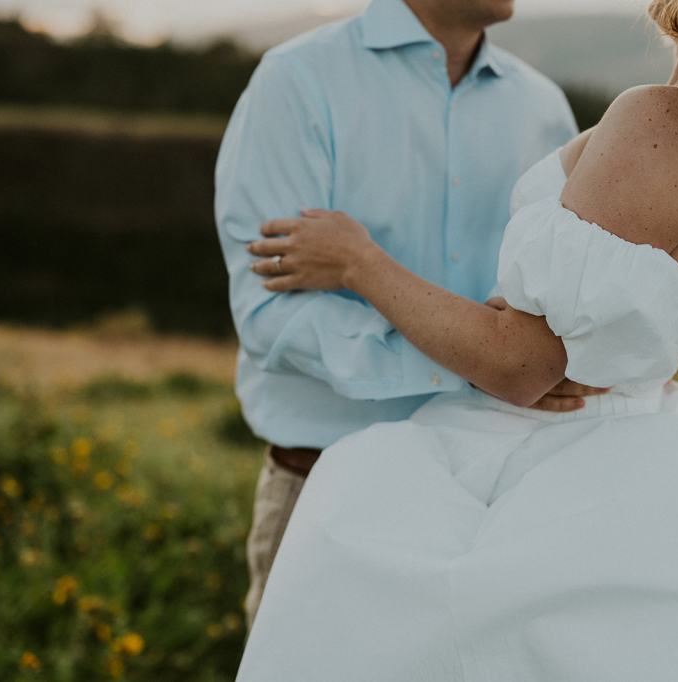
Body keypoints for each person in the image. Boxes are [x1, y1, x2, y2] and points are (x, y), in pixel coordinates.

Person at [237, 0, 678, 678]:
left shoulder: (650, 120)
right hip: (624, 436)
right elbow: (621, 311)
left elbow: (521, 362)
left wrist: (360, 262)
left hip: (525, 451)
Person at [214, 0, 591, 629]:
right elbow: (269, 315)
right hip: (326, 490)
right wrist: (482, 359)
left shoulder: (543, 108)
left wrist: (528, 358)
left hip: (497, 496)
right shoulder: (297, 82)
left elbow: (557, 303)